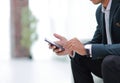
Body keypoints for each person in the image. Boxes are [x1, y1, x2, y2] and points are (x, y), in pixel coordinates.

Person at [48, 0, 120, 83]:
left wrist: (87, 49)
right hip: (109, 66)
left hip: (112, 64)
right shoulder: (100, 12)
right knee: (78, 56)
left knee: (110, 61)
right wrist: (70, 47)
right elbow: (96, 41)